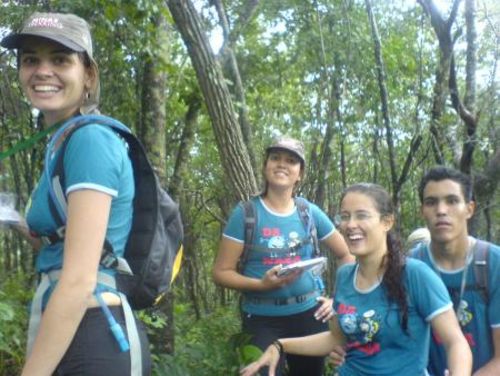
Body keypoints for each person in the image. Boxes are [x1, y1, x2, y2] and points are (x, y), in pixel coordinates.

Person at [1, 12, 151, 375]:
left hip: (95, 334)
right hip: (75, 328)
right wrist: (14, 219)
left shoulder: (90, 141)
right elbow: (59, 247)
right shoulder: (62, 143)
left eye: (60, 59)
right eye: (31, 60)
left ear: (88, 74)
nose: (42, 70)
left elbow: (80, 279)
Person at [241, 183, 471, 376]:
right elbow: (336, 339)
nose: (350, 225)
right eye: (345, 216)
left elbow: (456, 342)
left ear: (386, 222)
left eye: (362, 215)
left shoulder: (415, 274)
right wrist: (280, 345)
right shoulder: (345, 276)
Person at [213, 136, 354, 376]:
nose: (282, 164)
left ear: (299, 174)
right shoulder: (246, 214)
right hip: (260, 319)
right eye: (275, 158)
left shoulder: (309, 212)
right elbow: (220, 272)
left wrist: (337, 300)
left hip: (309, 315)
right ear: (265, 165)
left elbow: (346, 254)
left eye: (291, 161)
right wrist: (261, 284)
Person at [409, 166, 500, 375]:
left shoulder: (493, 264)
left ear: (469, 208)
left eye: (452, 201)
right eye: (431, 202)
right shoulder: (411, 267)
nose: (441, 210)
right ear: (422, 210)